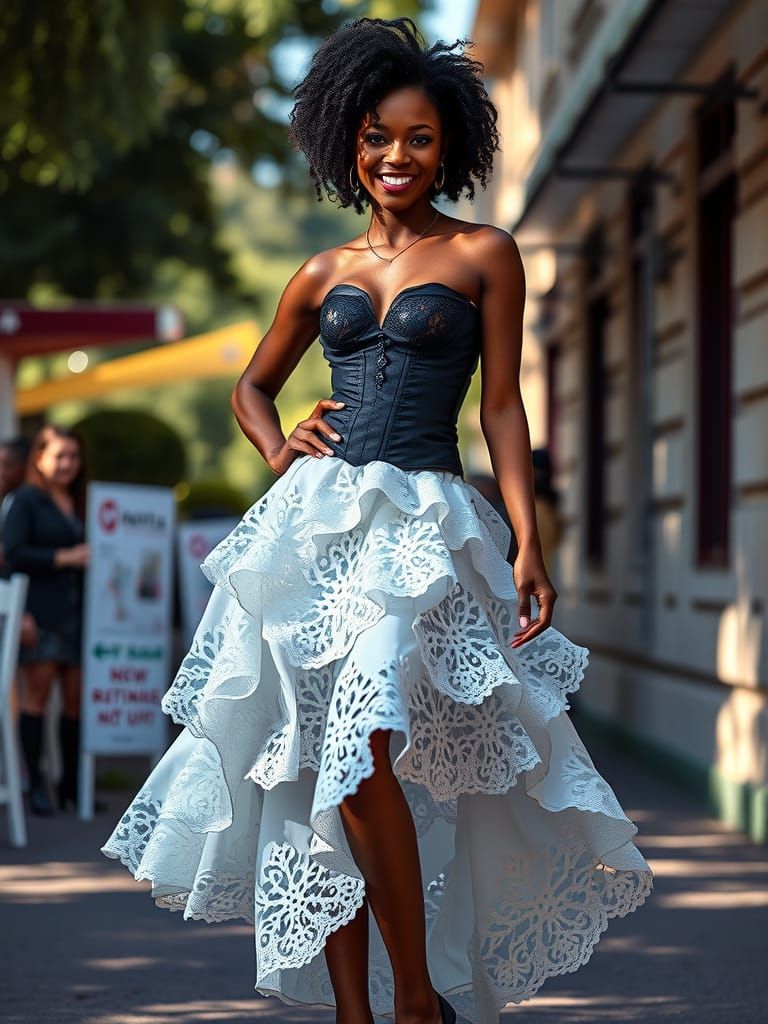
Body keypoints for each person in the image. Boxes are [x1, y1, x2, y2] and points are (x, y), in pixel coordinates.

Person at [102, 18, 653, 1024]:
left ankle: (416, 1002)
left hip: (425, 526)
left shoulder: (485, 252)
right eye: (375, 136)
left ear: (451, 149)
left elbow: (502, 406)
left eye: (419, 139)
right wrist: (278, 448)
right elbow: (254, 386)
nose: (395, 156)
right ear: (344, 144)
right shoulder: (318, 272)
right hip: (314, 532)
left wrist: (529, 538)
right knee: (320, 766)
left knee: (359, 748)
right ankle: (358, 1010)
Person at [3, 424, 89, 816]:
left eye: (73, 456)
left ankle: (71, 785)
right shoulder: (25, 500)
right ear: (39, 458)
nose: (67, 464)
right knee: (37, 699)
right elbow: (12, 554)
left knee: (75, 702)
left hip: (81, 616)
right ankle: (35, 785)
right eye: (59, 456)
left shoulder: (84, 500)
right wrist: (63, 558)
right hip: (40, 613)